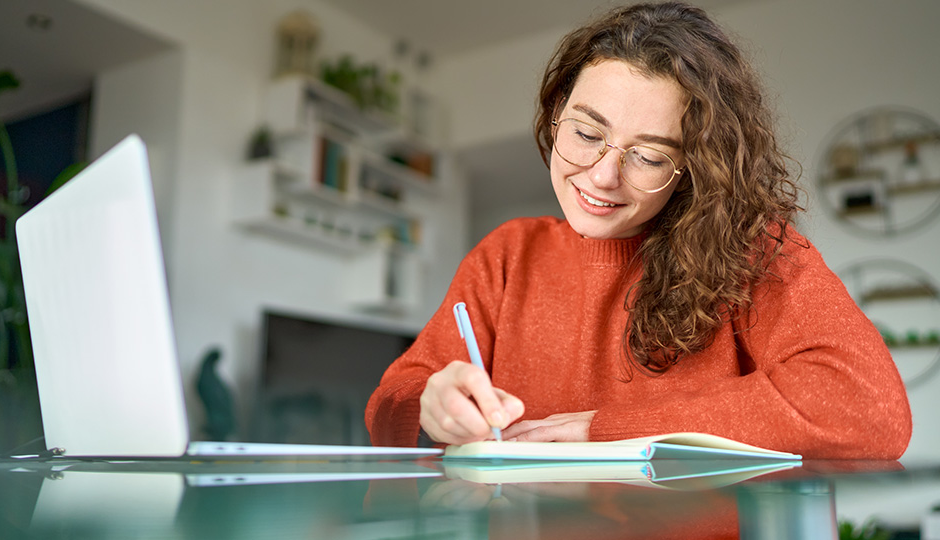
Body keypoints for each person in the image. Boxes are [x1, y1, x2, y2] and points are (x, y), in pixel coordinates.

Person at [365, 1, 912, 459]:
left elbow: (868, 408)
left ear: (695, 166)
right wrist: (429, 405)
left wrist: (605, 431)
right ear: (556, 112)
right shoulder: (507, 256)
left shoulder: (752, 250)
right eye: (585, 133)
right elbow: (390, 404)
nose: (603, 175)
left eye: (649, 156)